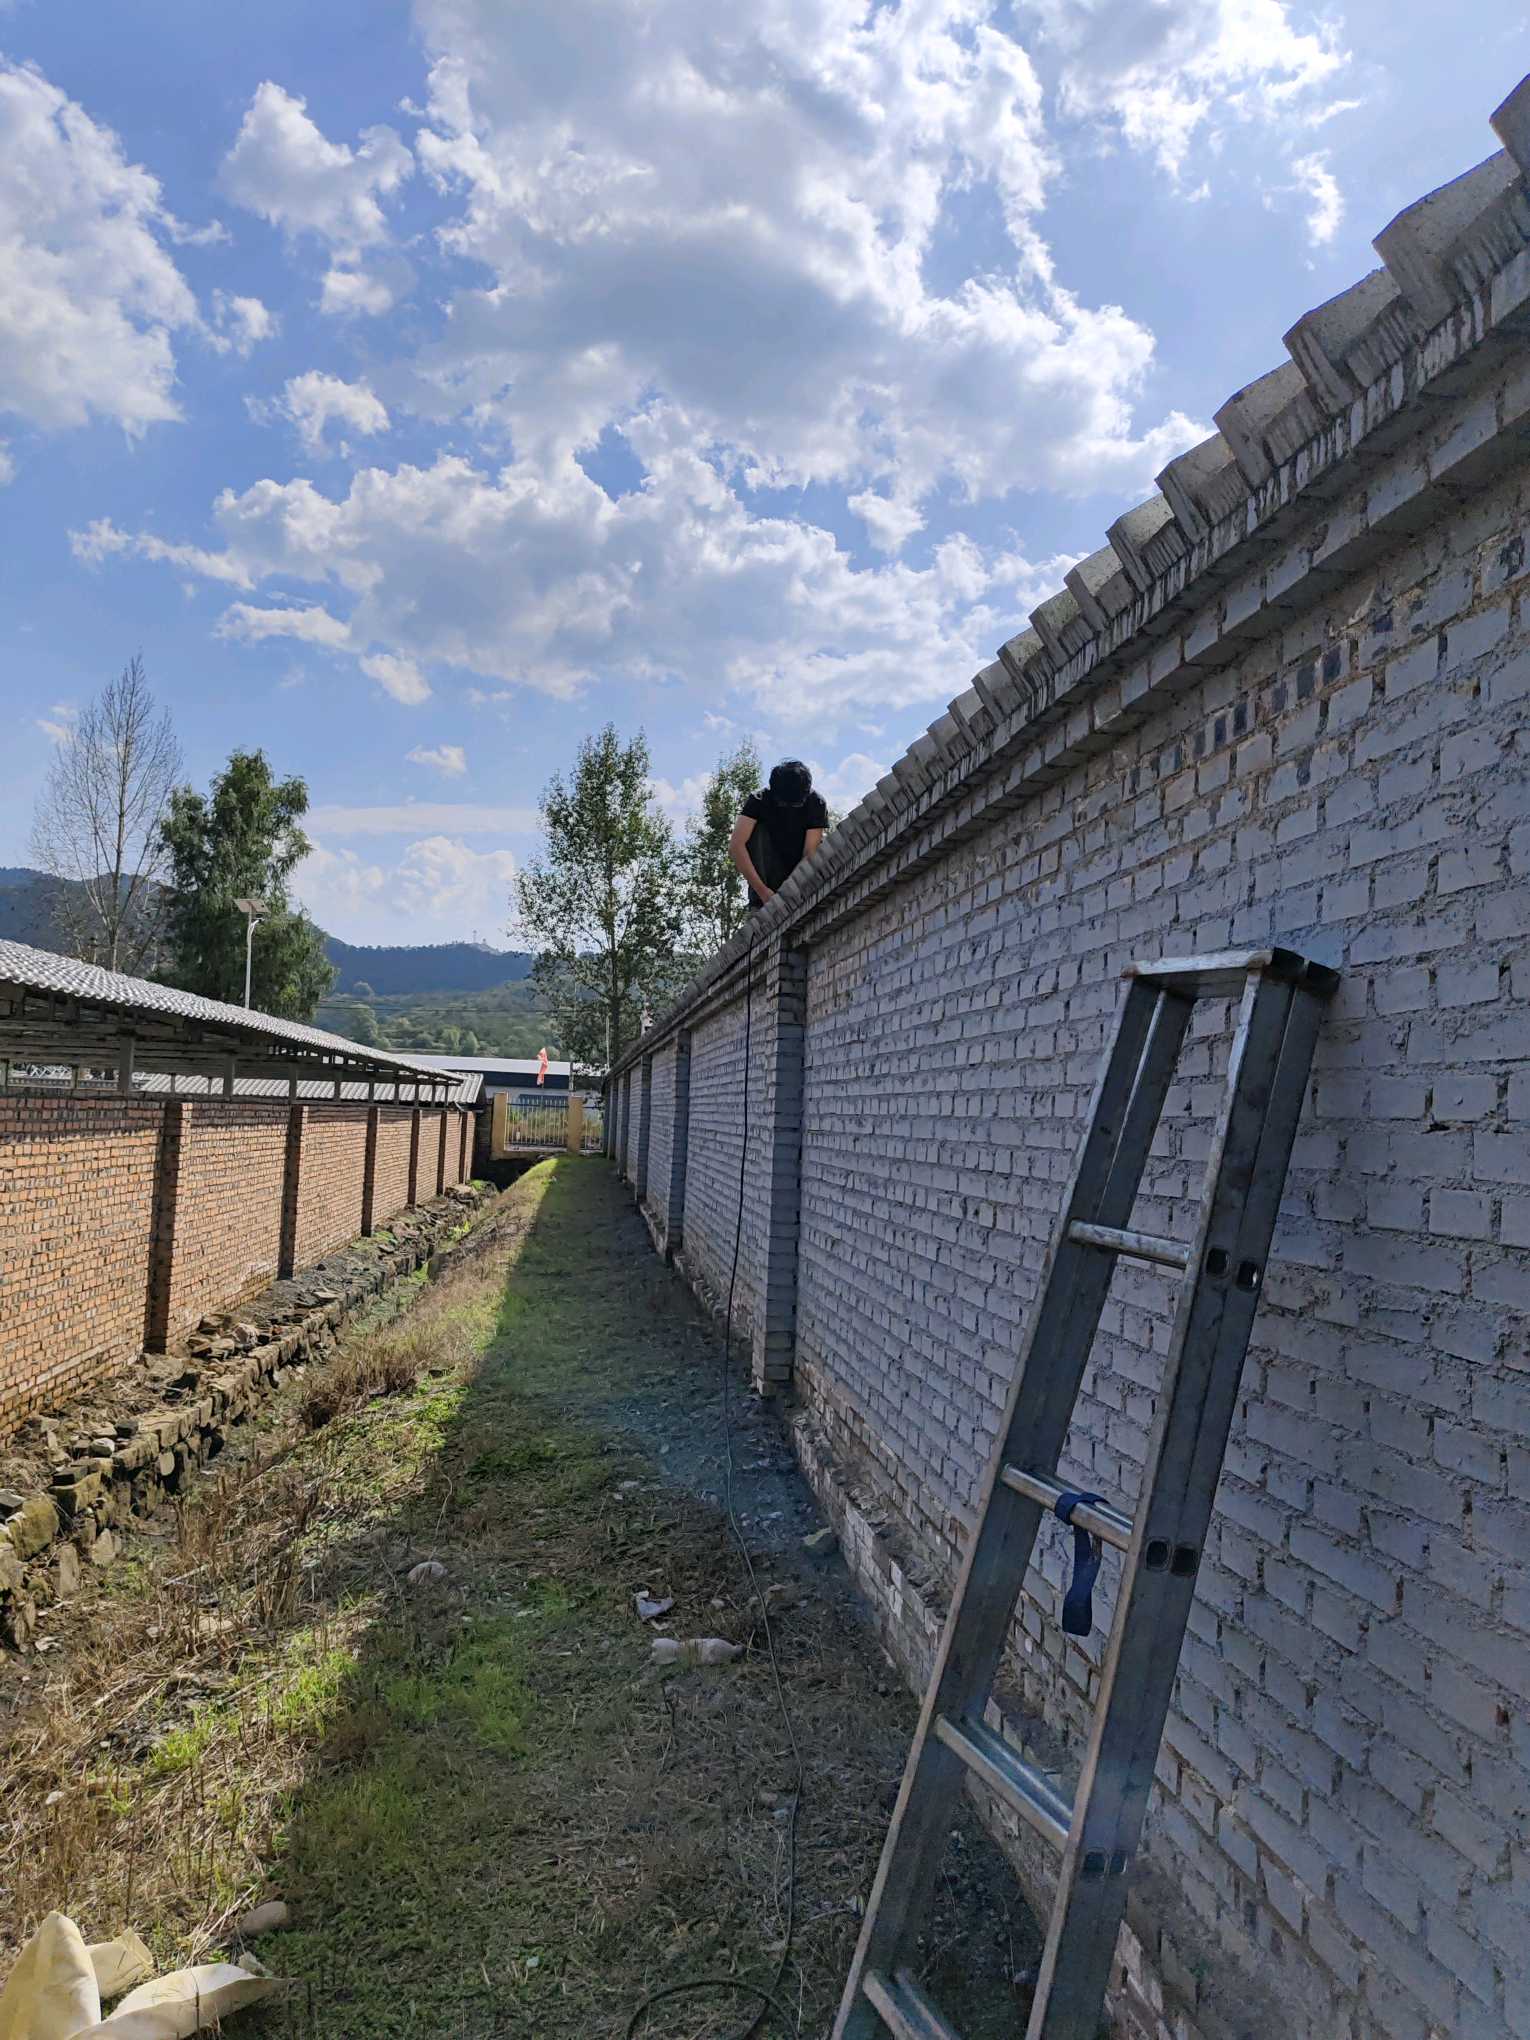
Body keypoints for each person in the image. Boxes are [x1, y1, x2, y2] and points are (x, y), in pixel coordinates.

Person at [729, 759, 828, 910]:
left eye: (796, 805)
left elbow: (810, 853)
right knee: (757, 831)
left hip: (799, 879)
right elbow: (736, 846)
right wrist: (763, 892)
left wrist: (789, 891)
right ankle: (759, 902)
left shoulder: (816, 803)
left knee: (821, 847)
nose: (789, 808)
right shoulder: (758, 800)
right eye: (784, 804)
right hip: (765, 879)